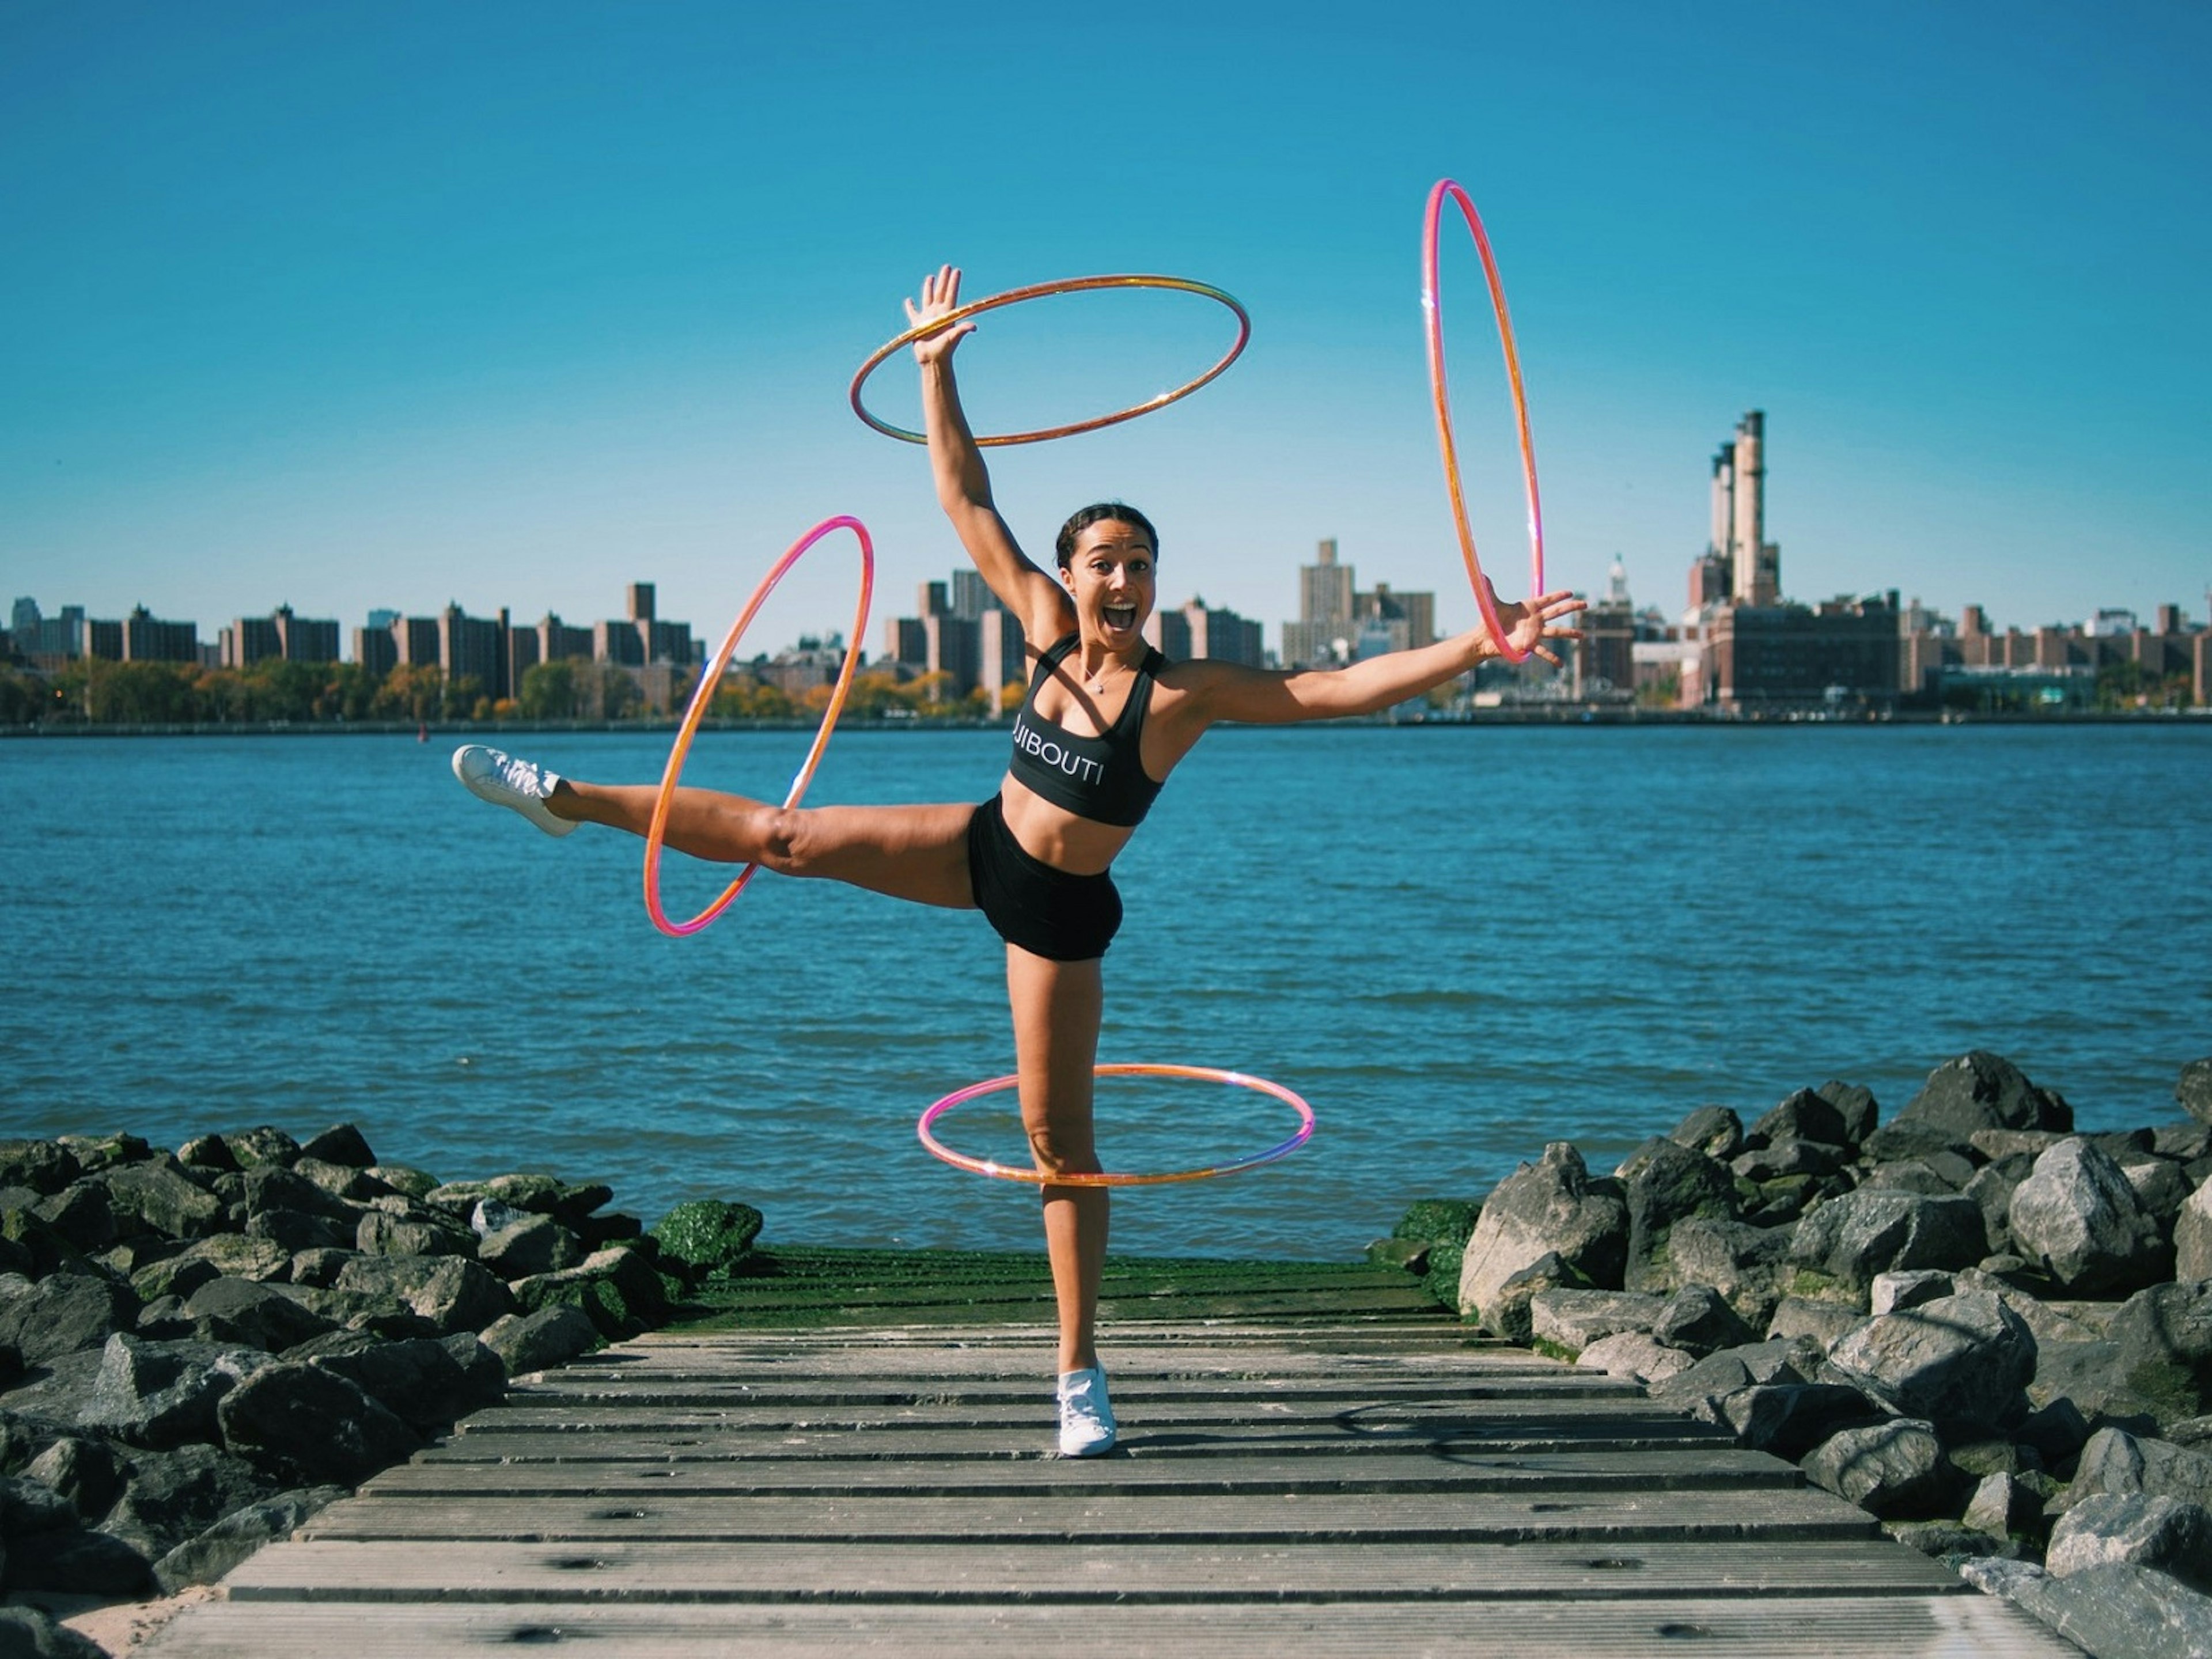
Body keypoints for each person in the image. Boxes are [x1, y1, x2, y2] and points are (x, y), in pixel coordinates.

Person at [452, 264, 1584, 1456]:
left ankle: (1078, 1375)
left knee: (1059, 1144)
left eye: (1140, 564)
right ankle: (567, 797)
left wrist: (1478, 643)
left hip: (1057, 914)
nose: (1122, 579)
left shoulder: (1181, 694)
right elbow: (963, 497)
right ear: (1073, 571)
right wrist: (939, 366)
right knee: (785, 838)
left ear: (1156, 585)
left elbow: (1335, 687)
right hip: (978, 845)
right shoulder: (1043, 630)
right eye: (1103, 559)